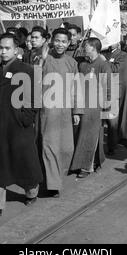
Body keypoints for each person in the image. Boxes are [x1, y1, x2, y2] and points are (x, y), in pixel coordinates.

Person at [0, 33, 43, 221]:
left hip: (19, 127)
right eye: (0, 48)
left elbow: (34, 99)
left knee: (24, 162)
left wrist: (25, 119)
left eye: (7, 48)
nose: (3, 51)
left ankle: (32, 190)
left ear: (16, 50)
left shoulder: (26, 70)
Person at [39, 28, 83, 197]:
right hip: (48, 111)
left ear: (69, 43)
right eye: (57, 40)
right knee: (49, 146)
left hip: (65, 112)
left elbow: (76, 88)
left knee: (66, 148)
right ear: (52, 41)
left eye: (64, 41)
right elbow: (34, 79)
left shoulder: (72, 63)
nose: (60, 44)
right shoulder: (44, 59)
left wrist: (77, 111)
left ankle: (56, 177)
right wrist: (40, 60)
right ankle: (52, 184)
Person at [69, 37, 111, 178]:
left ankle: (87, 167)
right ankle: (78, 163)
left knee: (89, 136)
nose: (83, 48)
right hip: (81, 103)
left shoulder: (103, 64)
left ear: (93, 48)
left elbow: (108, 87)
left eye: (86, 46)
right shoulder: (83, 64)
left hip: (95, 106)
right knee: (79, 134)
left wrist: (107, 107)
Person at [101, 43, 127, 155]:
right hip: (100, 88)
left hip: (113, 88)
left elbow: (116, 69)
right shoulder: (103, 52)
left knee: (112, 122)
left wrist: (104, 62)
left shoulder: (122, 55)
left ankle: (112, 146)